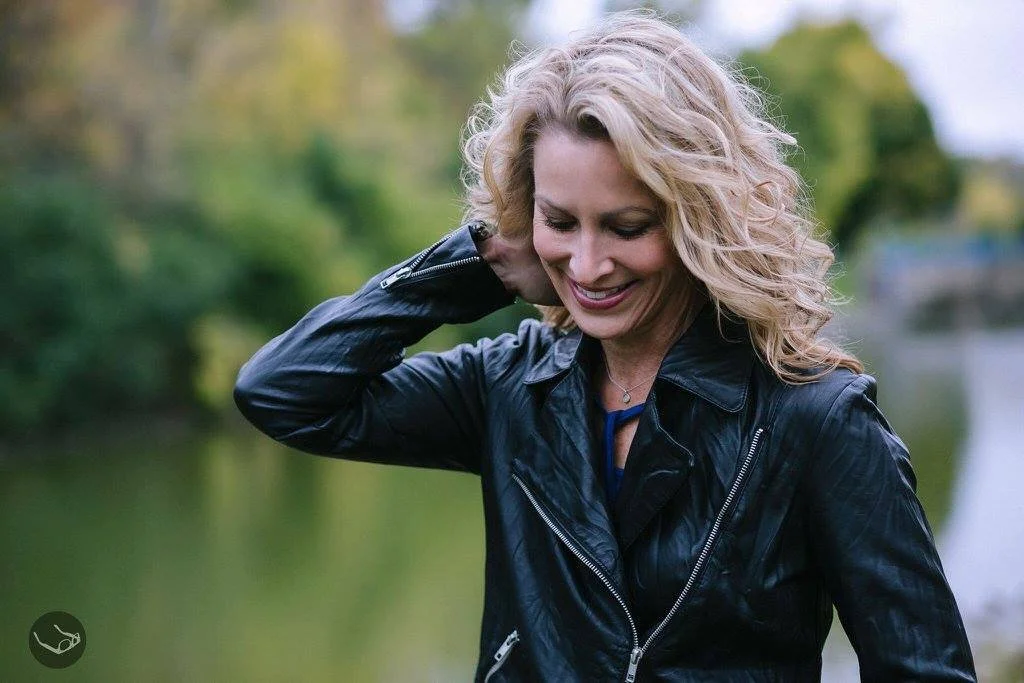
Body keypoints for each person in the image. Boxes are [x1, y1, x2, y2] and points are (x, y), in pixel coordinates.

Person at [234, 11, 976, 682]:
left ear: (700, 219)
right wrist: (475, 267)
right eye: (560, 222)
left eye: (626, 227)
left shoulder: (815, 420)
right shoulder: (510, 385)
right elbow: (284, 392)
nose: (587, 267)